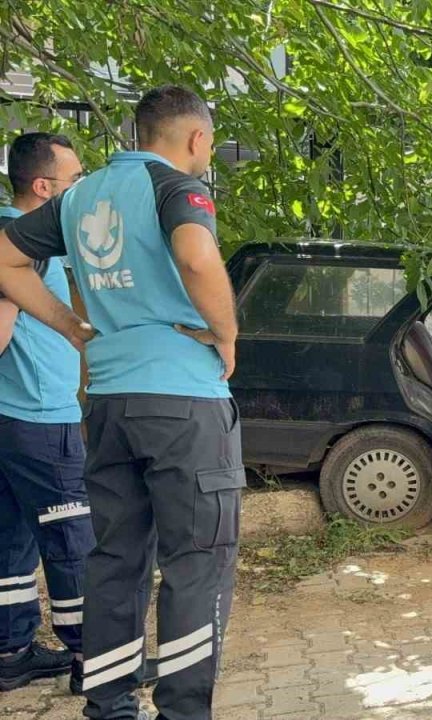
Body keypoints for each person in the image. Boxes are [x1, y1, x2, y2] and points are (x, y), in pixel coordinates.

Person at [0, 86, 241, 720]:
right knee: (196, 565)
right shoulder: (177, 189)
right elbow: (196, 257)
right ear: (196, 138)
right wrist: (226, 332)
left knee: (114, 561)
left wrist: (68, 325)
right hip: (185, 403)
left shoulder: (78, 197)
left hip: (108, 402)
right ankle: (182, 712)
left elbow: (4, 259)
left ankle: (108, 706)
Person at [0, 132, 92, 692]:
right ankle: (94, 660)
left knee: (11, 539)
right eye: (74, 180)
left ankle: (11, 652)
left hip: (13, 419)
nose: (80, 189)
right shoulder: (21, 244)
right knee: (71, 541)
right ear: (43, 187)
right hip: (38, 419)